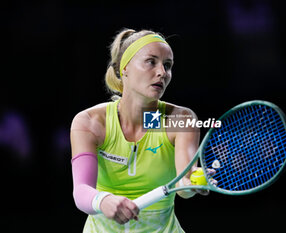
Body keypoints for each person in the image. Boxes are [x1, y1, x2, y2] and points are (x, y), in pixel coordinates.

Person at [70, 28, 209, 232]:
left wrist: (194, 182)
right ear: (124, 68)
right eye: (151, 61)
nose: (162, 72)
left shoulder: (180, 120)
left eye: (168, 65)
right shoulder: (90, 122)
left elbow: (183, 186)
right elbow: (81, 191)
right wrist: (103, 200)